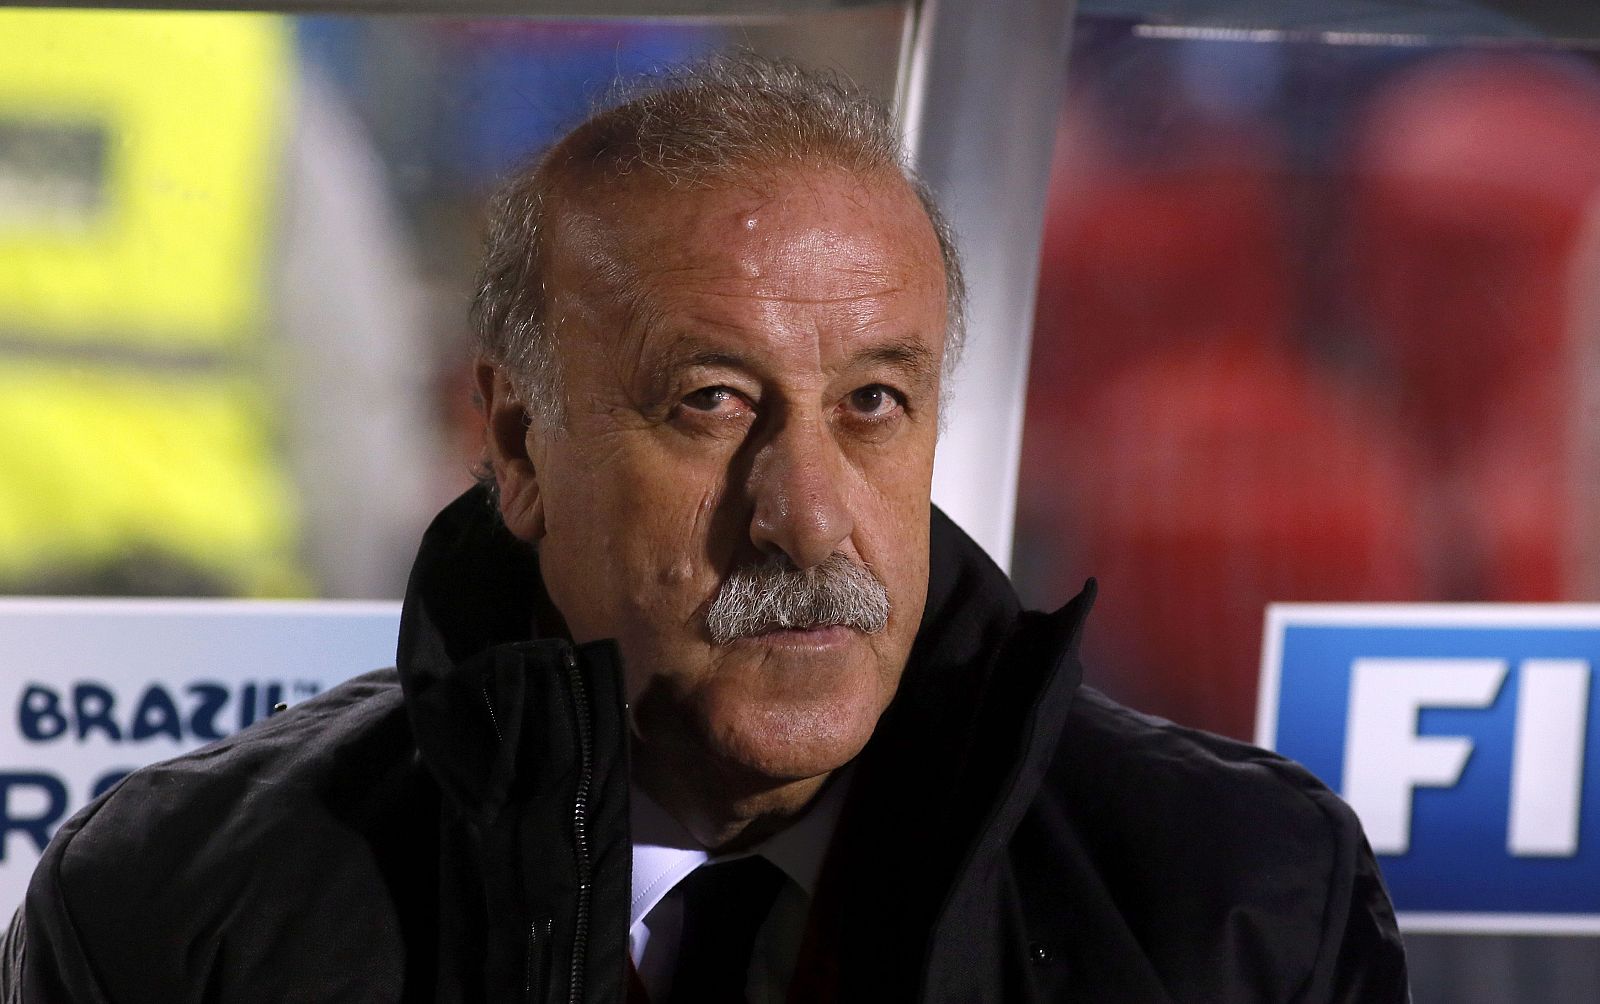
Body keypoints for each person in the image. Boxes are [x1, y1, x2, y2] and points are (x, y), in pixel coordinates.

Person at [4, 57, 1408, 1002]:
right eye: (713, 403)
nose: (807, 519)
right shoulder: (182, 914)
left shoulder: (1239, 907)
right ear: (518, 448)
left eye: (874, 402)